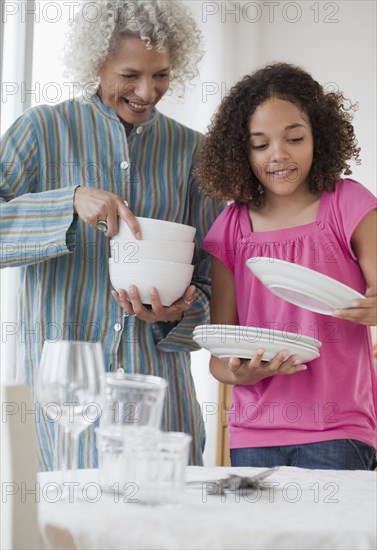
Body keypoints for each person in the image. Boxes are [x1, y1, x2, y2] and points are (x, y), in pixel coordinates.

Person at [0, 0, 221, 469]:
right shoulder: (41, 131)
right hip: (66, 416)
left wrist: (176, 314)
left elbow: (214, 289)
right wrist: (67, 201)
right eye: (130, 74)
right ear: (96, 62)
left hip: (163, 414)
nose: (147, 90)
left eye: (160, 75)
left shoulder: (193, 152)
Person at [196, 62, 377, 470]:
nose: (278, 154)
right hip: (253, 432)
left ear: (319, 137)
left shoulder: (349, 205)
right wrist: (239, 375)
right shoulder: (231, 227)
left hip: (339, 429)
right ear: (240, 152)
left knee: (330, 536)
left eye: (294, 138)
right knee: (260, 537)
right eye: (260, 145)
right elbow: (220, 354)